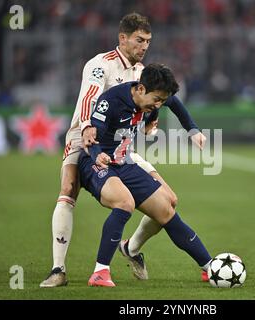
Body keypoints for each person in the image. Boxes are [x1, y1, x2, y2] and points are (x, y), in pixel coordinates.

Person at [40, 13, 207, 288]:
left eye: (148, 41)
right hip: (84, 136)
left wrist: (189, 128)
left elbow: (166, 100)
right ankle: (58, 269)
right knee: (69, 188)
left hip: (121, 146)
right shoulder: (99, 65)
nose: (144, 46)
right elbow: (88, 100)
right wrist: (86, 129)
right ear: (123, 38)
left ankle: (131, 248)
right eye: (139, 40)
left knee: (169, 200)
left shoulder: (142, 72)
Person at [78, 63, 212, 287]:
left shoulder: (152, 94)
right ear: (140, 89)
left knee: (166, 208)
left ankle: (209, 267)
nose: (159, 105)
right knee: (124, 202)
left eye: (162, 100)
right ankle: (100, 272)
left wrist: (193, 130)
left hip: (124, 163)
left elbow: (175, 103)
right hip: (94, 162)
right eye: (157, 100)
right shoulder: (110, 101)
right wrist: (97, 154)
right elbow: (90, 138)